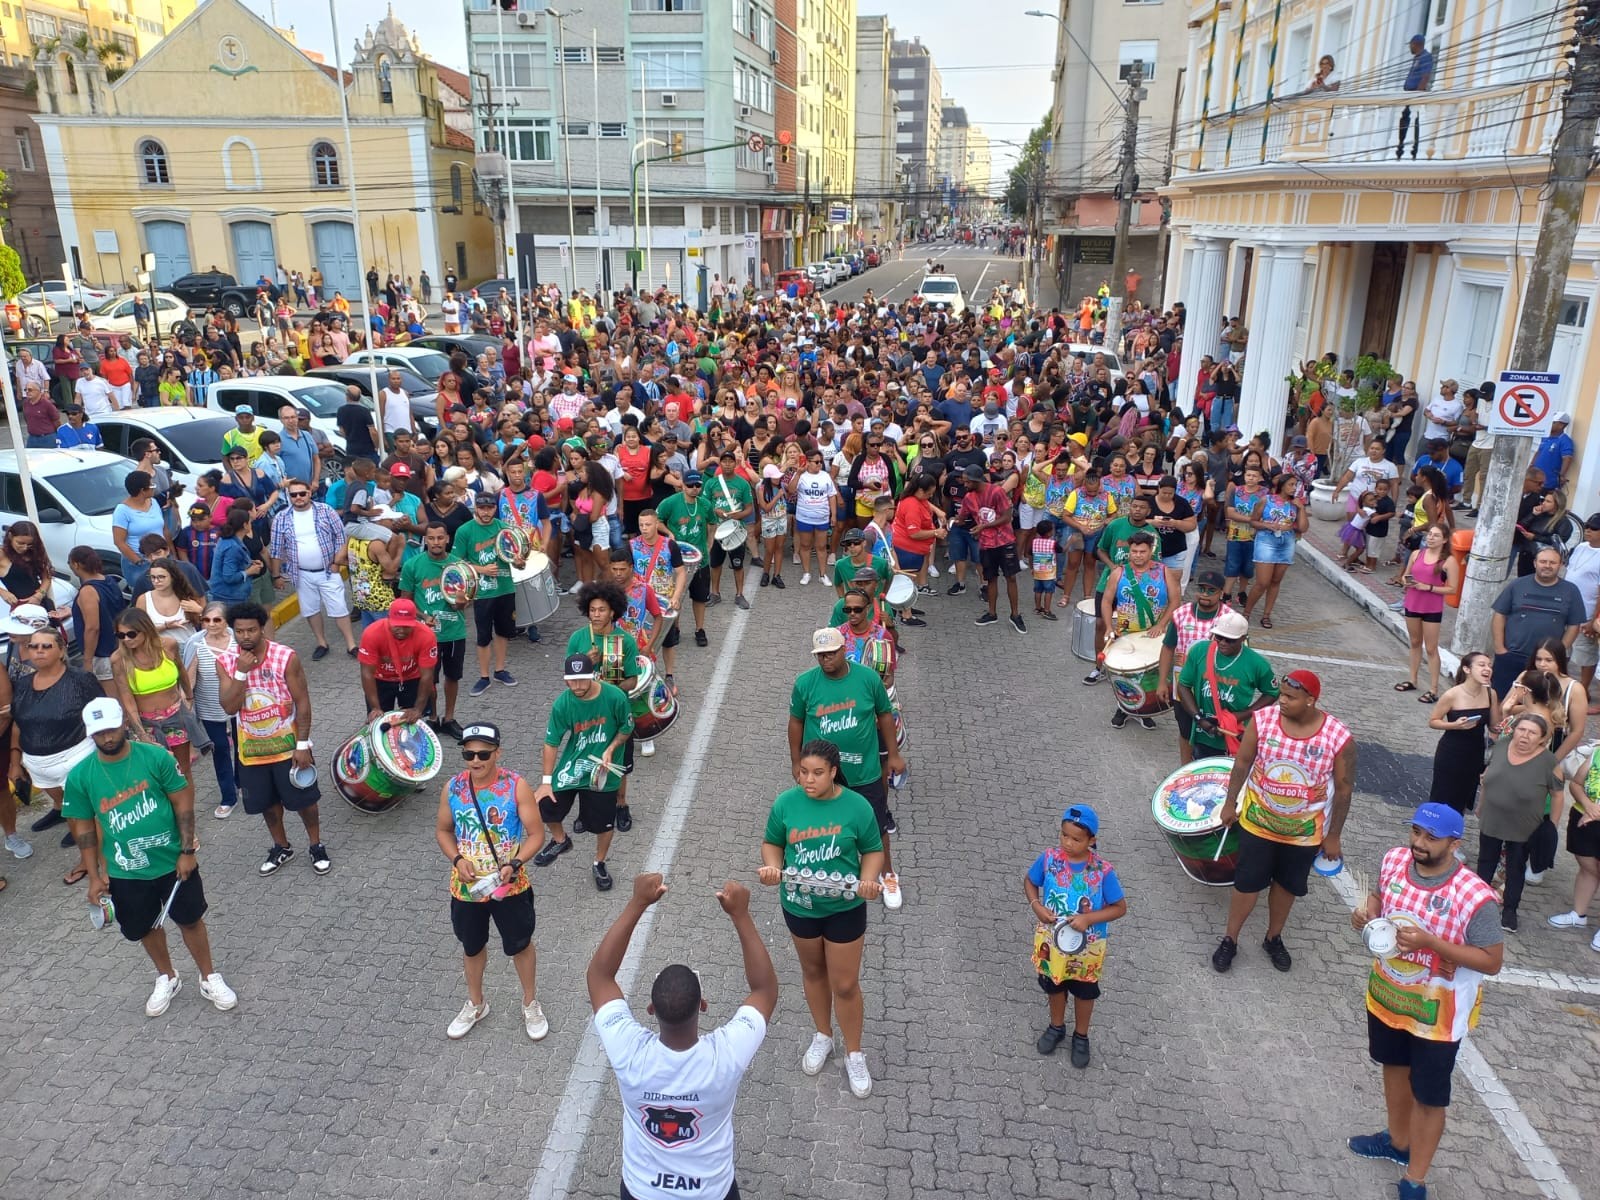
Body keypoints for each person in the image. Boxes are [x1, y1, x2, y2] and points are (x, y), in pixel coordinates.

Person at [589, 872, 777, 1200]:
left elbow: (600, 976)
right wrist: (741, 915)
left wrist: (638, 903)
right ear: (702, 1006)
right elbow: (765, 989)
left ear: (650, 1009)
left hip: (641, 1191)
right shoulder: (726, 1056)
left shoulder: (629, 1053)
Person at [1347, 803, 1502, 1200]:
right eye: (1415, 832)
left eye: (1430, 838)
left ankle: (1415, 1179)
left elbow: (1492, 961)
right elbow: (1380, 900)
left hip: (1437, 1014)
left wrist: (1433, 944)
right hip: (1389, 996)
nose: (1418, 843)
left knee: (1430, 1096)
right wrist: (1367, 916)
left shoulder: (1474, 896)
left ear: (1454, 843)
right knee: (1394, 1068)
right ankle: (1397, 1142)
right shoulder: (1394, 860)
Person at [63, 697, 237, 1017]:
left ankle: (208, 975)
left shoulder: (155, 757)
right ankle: (167, 977)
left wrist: (186, 851)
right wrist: (94, 876)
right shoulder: (80, 777)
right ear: (90, 735)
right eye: (99, 733)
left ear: (124, 724)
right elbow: (84, 830)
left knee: (190, 919)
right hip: (126, 870)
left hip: (172, 860)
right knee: (145, 926)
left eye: (112, 730)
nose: (108, 738)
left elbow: (183, 802)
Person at [759, 738, 884, 1098]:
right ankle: (823, 1036)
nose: (808, 780)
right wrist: (772, 867)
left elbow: (872, 851)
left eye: (817, 773)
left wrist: (869, 880)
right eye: (803, 772)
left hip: (844, 909)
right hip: (800, 906)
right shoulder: (786, 803)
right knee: (813, 971)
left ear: (833, 772)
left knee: (845, 984)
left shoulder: (857, 807)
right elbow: (772, 843)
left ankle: (855, 1052)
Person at [1214, 670, 1354, 973]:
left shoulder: (1337, 735)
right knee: (1246, 884)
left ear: (1311, 700)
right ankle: (1230, 939)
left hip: (1304, 832)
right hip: (1258, 821)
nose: (1282, 702)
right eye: (1282, 695)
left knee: (1287, 886)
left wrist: (1334, 835)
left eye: (1291, 697)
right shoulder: (1263, 720)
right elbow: (1242, 762)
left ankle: (1273, 937)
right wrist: (1229, 802)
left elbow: (1344, 788)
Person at [434, 721, 548, 1042]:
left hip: (510, 886)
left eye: (483, 754)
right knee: (472, 947)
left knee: (520, 945)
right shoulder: (453, 788)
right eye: (469, 754)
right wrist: (457, 860)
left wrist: (515, 862)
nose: (476, 761)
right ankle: (476, 1004)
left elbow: (537, 834)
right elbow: (443, 830)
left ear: (497, 752)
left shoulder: (516, 786)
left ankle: (530, 1003)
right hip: (467, 890)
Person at [789, 628, 907, 907]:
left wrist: (893, 754)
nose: (826, 659)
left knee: (876, 825)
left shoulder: (867, 679)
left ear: (844, 650)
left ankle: (887, 875)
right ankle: (823, 873)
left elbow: (885, 715)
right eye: (820, 655)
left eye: (831, 652)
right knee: (819, 824)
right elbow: (795, 722)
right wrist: (796, 763)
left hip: (863, 771)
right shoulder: (805, 683)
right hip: (820, 773)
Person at [217, 601, 327, 877]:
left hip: (289, 748)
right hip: (252, 751)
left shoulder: (286, 657)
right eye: (239, 631)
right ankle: (281, 847)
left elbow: (302, 702)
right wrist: (241, 671)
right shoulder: (226, 662)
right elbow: (229, 707)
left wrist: (302, 744)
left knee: (306, 803)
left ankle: (316, 845)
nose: (245, 636)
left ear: (262, 628)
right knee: (267, 805)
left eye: (251, 630)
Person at [1023, 803, 1127, 1066]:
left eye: (1076, 839)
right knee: (1054, 985)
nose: (1068, 843)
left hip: (1087, 950)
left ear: (1092, 840)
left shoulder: (1103, 872)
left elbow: (1119, 908)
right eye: (1064, 835)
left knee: (1084, 992)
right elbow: (1030, 881)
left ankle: (1081, 1036)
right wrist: (1036, 905)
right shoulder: (1049, 859)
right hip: (1052, 943)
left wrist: (1088, 918)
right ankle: (1056, 1026)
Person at [531, 654, 635, 891]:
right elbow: (551, 743)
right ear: (565, 679)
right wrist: (546, 781)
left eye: (582, 680)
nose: (577, 686)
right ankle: (560, 841)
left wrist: (611, 749)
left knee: (604, 825)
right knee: (546, 804)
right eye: (572, 680)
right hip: (574, 765)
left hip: (603, 770)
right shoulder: (563, 704)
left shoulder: (615, 697)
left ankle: (599, 862)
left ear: (593, 676)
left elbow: (626, 728)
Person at [11, 626, 103, 878]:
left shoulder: (80, 680)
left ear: (61, 650)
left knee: (92, 813)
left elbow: (102, 716)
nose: (39, 651)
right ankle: (87, 862)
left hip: (78, 757)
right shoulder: (21, 684)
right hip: (38, 763)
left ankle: (106, 867)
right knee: (71, 814)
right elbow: (17, 723)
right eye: (34, 646)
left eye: (46, 646)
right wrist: (15, 760)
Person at [566, 581, 646, 830]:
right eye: (592, 610)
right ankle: (585, 812)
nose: (596, 615)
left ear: (613, 611)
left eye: (601, 610)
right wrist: (584, 665)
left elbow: (632, 680)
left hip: (615, 714)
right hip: (586, 714)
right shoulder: (579, 639)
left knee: (619, 764)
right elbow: (569, 677)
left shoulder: (622, 641)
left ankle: (621, 805)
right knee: (584, 759)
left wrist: (607, 688)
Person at [1474, 712, 1560, 933]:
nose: (1524, 736)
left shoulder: (1549, 762)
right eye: (1521, 730)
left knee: (1515, 868)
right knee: (1485, 862)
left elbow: (1558, 794)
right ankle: (1476, 906)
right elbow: (1489, 776)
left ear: (1542, 739)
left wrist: (1552, 826)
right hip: (1492, 816)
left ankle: (1510, 911)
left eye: (1532, 733)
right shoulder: (1503, 745)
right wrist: (1481, 806)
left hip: (1524, 824)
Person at [109, 609, 201, 783]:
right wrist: (142, 734)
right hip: (146, 723)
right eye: (120, 635)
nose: (126, 639)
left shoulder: (168, 645)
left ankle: (186, 809)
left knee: (183, 770)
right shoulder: (119, 659)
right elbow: (127, 699)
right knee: (156, 775)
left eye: (131, 634)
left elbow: (181, 670)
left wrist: (189, 697)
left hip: (176, 716)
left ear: (146, 630)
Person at [397, 522, 470, 741]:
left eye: (440, 538)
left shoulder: (459, 566)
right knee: (428, 680)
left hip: (454, 632)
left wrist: (461, 603)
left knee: (453, 677)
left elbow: (466, 601)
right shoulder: (412, 565)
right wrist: (422, 617)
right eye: (431, 538)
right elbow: (404, 602)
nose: (436, 542)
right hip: (425, 636)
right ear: (425, 540)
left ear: (448, 539)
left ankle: (449, 718)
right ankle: (432, 718)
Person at [268, 479, 355, 660]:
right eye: (293, 494)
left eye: (302, 493)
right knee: (310, 610)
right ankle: (321, 643)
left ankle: (351, 644)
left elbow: (341, 536)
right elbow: (276, 549)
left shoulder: (325, 511)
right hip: (301, 573)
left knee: (339, 607)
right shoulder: (281, 518)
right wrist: (276, 575)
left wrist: (337, 563)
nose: (298, 497)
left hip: (329, 571)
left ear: (309, 493)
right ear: (289, 496)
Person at [1158, 570, 1238, 764]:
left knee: (1214, 736)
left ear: (1221, 593)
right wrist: (1162, 682)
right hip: (1184, 688)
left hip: (1216, 691)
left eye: (1211, 591)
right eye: (1201, 589)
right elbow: (1168, 648)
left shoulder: (1231, 619)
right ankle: (1184, 771)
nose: (1204, 594)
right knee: (1185, 732)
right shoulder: (1181, 615)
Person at [1489, 546, 1586, 697]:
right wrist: (1500, 649)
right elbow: (1499, 615)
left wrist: (1557, 653)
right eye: (1543, 561)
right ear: (1535, 563)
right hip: (1512, 656)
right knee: (1500, 699)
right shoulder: (1517, 585)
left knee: (1541, 702)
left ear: (1560, 565)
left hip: (1546, 662)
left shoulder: (1571, 591)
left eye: (1552, 563)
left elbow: (1574, 625)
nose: (1547, 565)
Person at [453, 490, 522, 697]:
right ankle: (484, 677)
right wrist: (481, 570)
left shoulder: (504, 528)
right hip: (482, 592)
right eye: (481, 508)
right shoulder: (465, 531)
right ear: (476, 508)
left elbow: (516, 559)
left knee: (503, 632)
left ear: (495, 508)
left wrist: (519, 562)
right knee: (483, 636)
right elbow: (456, 562)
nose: (485, 512)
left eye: (489, 508)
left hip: (505, 588)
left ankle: (500, 670)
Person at [184, 602, 240, 818]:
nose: (211, 624)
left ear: (226, 621)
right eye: (206, 620)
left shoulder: (238, 640)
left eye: (217, 620)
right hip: (209, 707)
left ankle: (242, 782)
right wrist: (186, 704)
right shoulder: (195, 643)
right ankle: (228, 796)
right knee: (220, 750)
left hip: (239, 704)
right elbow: (189, 676)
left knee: (243, 748)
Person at [1426, 652, 1499, 815]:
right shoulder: (1452, 694)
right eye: (1481, 665)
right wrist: (1454, 725)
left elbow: (1494, 726)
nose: (1487, 668)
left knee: (1463, 797)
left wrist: (1507, 717)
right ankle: (1433, 833)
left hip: (1475, 753)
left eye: (1489, 666)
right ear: (1467, 669)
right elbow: (1433, 721)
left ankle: (1452, 835)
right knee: (1442, 795)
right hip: (1451, 751)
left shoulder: (1490, 694)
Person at [957, 463, 1024, 632]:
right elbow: (962, 517)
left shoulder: (996, 492)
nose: (964, 485)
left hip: (1005, 541)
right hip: (986, 544)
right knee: (991, 578)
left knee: (1011, 578)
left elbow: (1007, 517)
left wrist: (983, 527)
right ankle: (992, 613)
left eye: (967, 482)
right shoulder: (968, 498)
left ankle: (1015, 615)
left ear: (975, 480)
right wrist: (950, 521)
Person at [1396, 525, 1458, 702]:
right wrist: (1406, 582)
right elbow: (1405, 575)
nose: (1431, 538)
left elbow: (1452, 589)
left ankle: (1434, 689)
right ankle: (1412, 679)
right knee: (1415, 642)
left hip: (1432, 608)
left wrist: (1428, 587)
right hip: (1412, 603)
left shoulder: (1448, 561)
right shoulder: (1417, 554)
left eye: (1436, 536)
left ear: (1444, 540)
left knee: (1431, 648)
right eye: (1430, 534)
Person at [358, 598, 438, 727]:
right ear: (388, 618)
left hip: (412, 678)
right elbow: (366, 673)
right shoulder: (371, 633)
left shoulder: (426, 635)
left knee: (412, 723)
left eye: (406, 626)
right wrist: (375, 708)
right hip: (380, 679)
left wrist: (418, 709)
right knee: (378, 724)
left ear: (415, 621)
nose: (401, 629)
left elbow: (427, 675)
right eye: (396, 624)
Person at [658, 470, 715, 650]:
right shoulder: (671, 502)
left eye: (697, 485)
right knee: (677, 597)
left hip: (700, 561)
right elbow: (657, 519)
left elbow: (712, 523)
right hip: (677, 562)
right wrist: (669, 533)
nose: (694, 489)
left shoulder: (705, 504)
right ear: (682, 485)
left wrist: (709, 543)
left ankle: (700, 629)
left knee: (699, 598)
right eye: (690, 485)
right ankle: (675, 628)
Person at [1242, 473, 1306, 629]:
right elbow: (1253, 521)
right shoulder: (1267, 500)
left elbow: (1303, 528)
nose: (1293, 488)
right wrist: (1268, 525)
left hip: (1287, 542)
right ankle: (1247, 612)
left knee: (1276, 581)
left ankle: (1266, 615)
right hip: (1267, 540)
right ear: (1282, 485)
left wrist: (1301, 508)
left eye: (1295, 485)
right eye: (1290, 484)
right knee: (1263, 582)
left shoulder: (1295, 504)